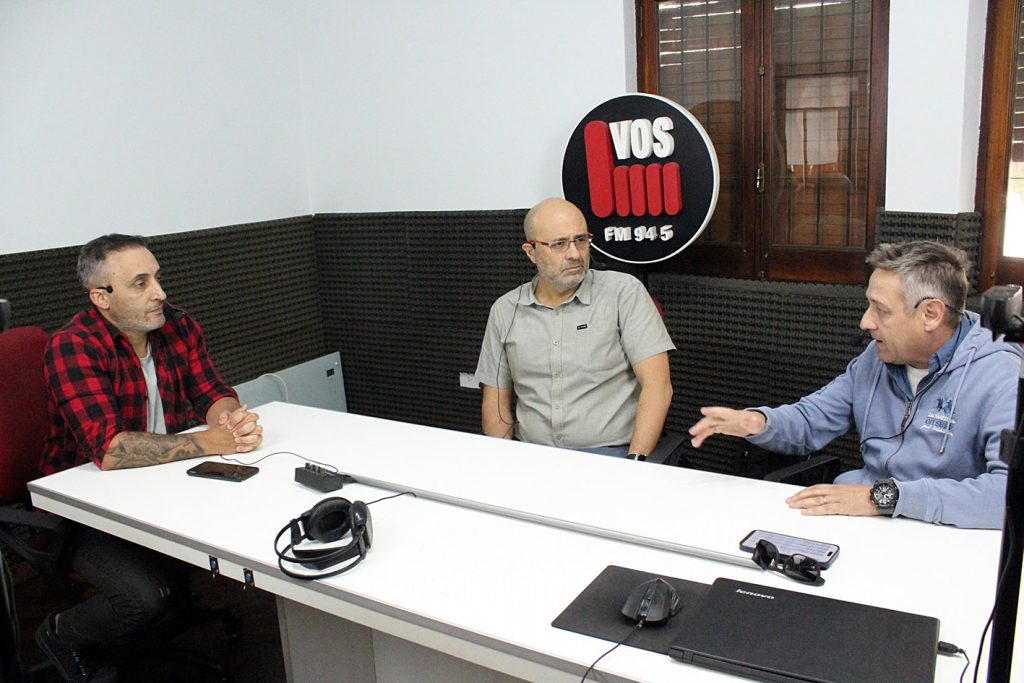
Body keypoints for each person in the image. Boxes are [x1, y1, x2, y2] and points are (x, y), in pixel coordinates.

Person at [35, 234, 264, 682]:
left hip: (160, 487)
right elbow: (109, 449)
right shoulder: (73, 346)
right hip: (82, 510)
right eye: (140, 283)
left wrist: (231, 420)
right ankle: (60, 632)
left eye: (157, 278)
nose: (159, 293)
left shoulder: (177, 326)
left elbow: (211, 391)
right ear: (101, 298)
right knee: (144, 599)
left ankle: (170, 591)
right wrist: (209, 443)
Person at [689, 241, 1020, 530]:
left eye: (881, 310)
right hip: (864, 521)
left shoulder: (1001, 374)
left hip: (939, 534)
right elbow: (811, 420)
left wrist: (883, 497)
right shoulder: (877, 357)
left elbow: (1007, 495)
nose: (865, 321)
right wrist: (758, 422)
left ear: (931, 314)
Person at [475, 198, 675, 459]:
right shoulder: (505, 310)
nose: (575, 254)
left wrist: (633, 465)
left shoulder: (624, 293)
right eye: (559, 244)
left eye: (581, 240)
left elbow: (659, 387)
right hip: (532, 455)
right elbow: (495, 403)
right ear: (531, 251)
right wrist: (503, 462)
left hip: (611, 455)